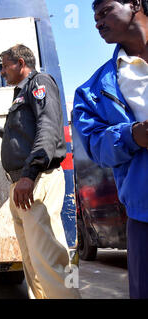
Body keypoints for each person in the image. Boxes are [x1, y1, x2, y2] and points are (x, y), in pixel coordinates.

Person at [0, 44, 81, 299]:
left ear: (21, 63)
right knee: (32, 261)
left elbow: (47, 129)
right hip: (23, 184)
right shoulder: (21, 92)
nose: (2, 71)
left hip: (37, 181)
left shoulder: (40, 82)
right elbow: (22, 136)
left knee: (48, 260)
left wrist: (29, 174)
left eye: (5, 65)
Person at [72, 0, 147, 299]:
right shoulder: (92, 91)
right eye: (94, 17)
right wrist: (132, 136)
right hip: (144, 215)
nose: (98, 23)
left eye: (105, 12)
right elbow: (96, 147)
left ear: (135, 4)